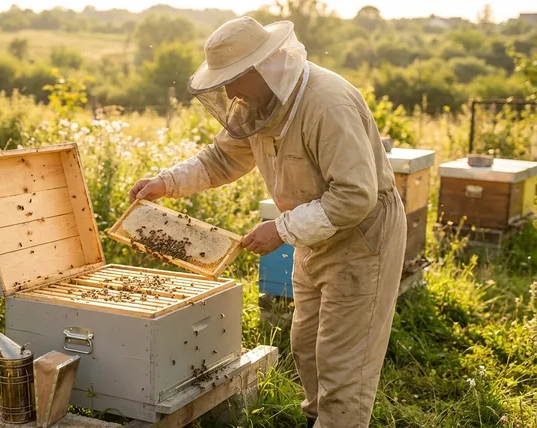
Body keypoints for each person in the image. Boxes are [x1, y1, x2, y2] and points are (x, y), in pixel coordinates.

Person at [128, 16, 407, 428]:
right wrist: (165, 184)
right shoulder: (260, 105)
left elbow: (354, 196)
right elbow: (222, 159)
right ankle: (320, 420)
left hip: (362, 238)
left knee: (343, 364)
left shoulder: (327, 104)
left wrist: (280, 229)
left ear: (263, 67)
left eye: (233, 79)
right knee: (307, 347)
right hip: (313, 236)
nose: (227, 92)